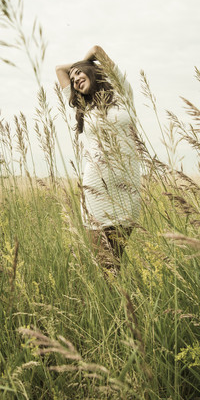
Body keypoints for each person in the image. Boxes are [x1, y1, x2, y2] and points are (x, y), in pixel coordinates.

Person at [56, 45, 140, 272]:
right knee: (103, 262)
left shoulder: (122, 94)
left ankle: (119, 304)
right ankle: (110, 303)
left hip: (128, 186)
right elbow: (59, 70)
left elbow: (96, 50)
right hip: (96, 187)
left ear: (92, 72)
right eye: (72, 80)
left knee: (117, 261)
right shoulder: (84, 107)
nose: (74, 80)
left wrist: (83, 64)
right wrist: (78, 70)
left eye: (79, 74)